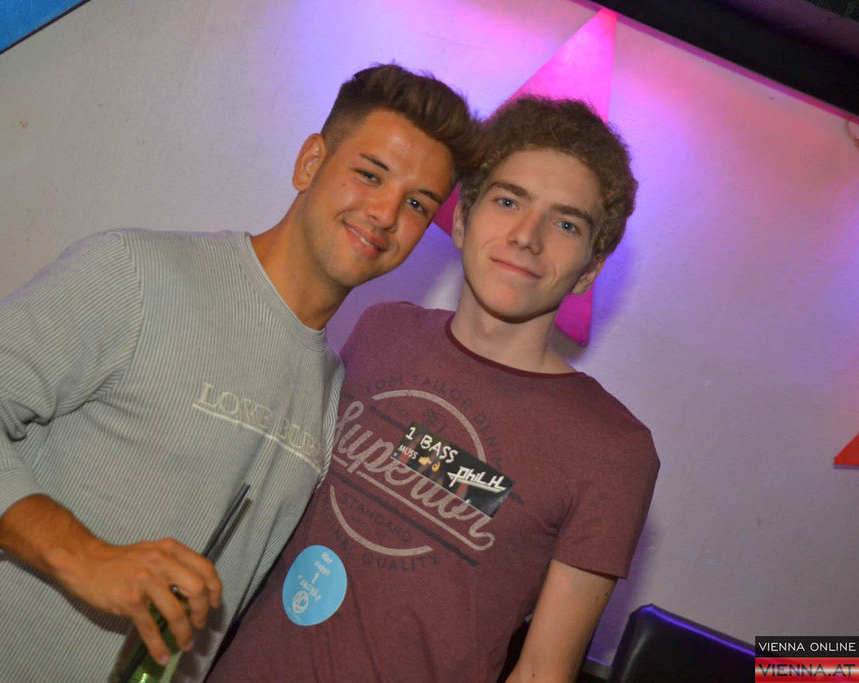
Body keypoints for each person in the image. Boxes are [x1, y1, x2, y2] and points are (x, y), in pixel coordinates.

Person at [0, 63, 481, 683]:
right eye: (370, 174)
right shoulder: (138, 274)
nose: (385, 212)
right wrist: (86, 558)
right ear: (310, 162)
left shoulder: (330, 395)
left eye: (416, 204)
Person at [206, 96, 660, 683]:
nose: (528, 237)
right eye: (508, 201)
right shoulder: (381, 330)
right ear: (463, 220)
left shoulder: (612, 450)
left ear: (591, 269)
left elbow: (542, 670)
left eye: (566, 223)